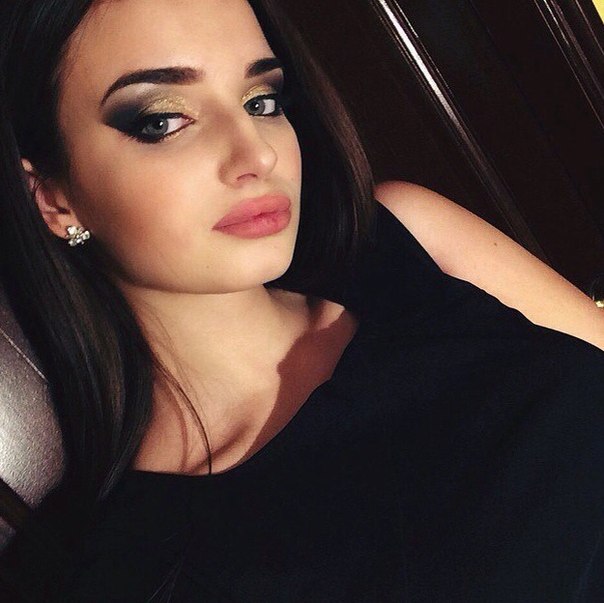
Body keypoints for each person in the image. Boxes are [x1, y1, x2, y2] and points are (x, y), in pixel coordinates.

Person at [0, 0, 603, 600]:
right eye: (163, 120)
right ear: (52, 198)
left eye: (261, 101)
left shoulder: (408, 239)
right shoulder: (128, 569)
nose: (258, 154)